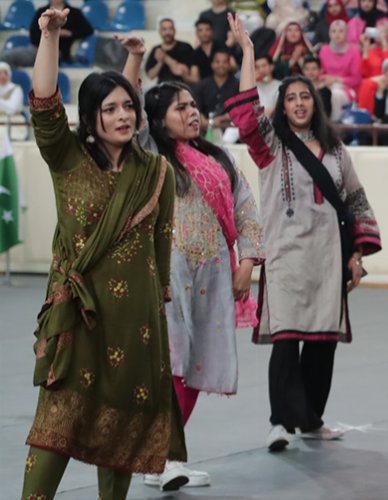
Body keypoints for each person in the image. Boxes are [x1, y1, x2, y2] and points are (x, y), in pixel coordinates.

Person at [20, 10, 187, 499]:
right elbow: (45, 102)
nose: (123, 116)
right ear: (91, 118)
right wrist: (49, 36)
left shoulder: (156, 172)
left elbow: (159, 250)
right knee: (54, 428)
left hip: (137, 327)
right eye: (110, 109)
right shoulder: (68, 159)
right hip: (79, 321)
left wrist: (134, 59)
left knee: (123, 436)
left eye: (128, 108)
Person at [224, 13, 382, 451]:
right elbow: (246, 114)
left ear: (315, 102)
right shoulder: (269, 146)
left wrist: (357, 256)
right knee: (287, 338)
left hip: (330, 258)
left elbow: (356, 202)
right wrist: (250, 54)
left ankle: (311, 420)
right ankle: (279, 421)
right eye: (290, 98)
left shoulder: (335, 150)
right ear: (282, 104)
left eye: (304, 97)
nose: (298, 103)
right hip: (286, 256)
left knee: (322, 343)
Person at [120, 34, 264, 489]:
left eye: (193, 105)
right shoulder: (147, 156)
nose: (193, 112)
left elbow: (247, 209)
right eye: (180, 107)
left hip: (216, 273)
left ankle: (161, 457)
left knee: (198, 366)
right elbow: (126, 105)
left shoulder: (217, 158)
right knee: (172, 363)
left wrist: (248, 262)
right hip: (167, 272)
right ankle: (159, 458)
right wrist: (137, 58)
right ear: (158, 121)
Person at [0, 0, 93, 67]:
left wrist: (70, 33)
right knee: (6, 57)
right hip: (37, 48)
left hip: (59, 51)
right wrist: (48, 32)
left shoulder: (74, 12)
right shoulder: (42, 11)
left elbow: (88, 29)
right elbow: (33, 33)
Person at [193, 48, 240, 132]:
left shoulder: (237, 85)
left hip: (230, 128)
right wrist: (204, 121)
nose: (221, 65)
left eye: (224, 62)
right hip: (204, 127)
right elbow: (196, 106)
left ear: (229, 65)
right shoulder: (202, 84)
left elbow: (240, 109)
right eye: (217, 62)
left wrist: (220, 120)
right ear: (212, 64)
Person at [146, 18, 197, 84]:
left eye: (170, 29)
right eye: (164, 29)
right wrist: (160, 62)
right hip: (162, 88)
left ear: (174, 30)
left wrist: (165, 58)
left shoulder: (185, 47)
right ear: (160, 32)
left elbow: (185, 71)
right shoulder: (156, 50)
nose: (167, 32)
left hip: (182, 87)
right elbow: (150, 76)